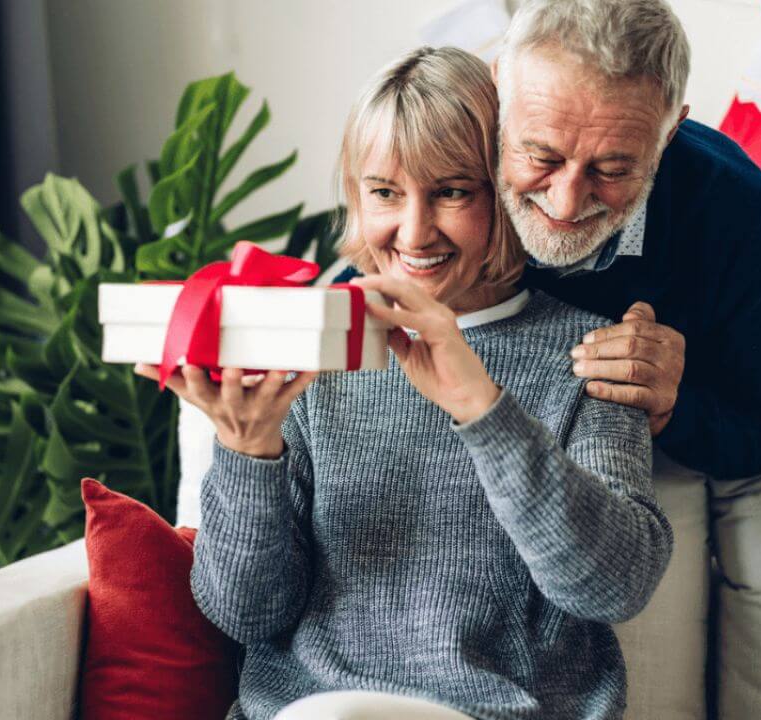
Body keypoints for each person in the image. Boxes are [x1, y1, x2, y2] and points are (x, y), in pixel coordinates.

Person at [137, 46, 672, 720]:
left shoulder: (591, 356)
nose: (413, 232)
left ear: (504, 190)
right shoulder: (314, 348)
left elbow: (614, 586)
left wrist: (484, 408)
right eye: (385, 192)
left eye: (451, 191)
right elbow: (246, 616)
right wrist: (249, 454)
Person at [496, 0, 761, 479]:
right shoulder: (451, 145)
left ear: (670, 131)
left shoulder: (735, 208)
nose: (567, 202)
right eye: (542, 157)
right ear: (499, 91)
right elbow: (364, 283)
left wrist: (672, 407)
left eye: (613, 169)